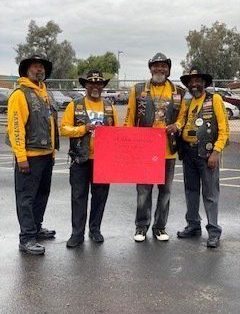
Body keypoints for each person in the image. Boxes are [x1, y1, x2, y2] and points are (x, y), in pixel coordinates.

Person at [124, 52, 184, 242]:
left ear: (168, 69)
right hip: (145, 151)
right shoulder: (138, 89)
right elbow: (130, 117)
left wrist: (178, 126)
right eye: (156, 66)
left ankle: (160, 227)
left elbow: (183, 117)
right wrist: (129, 144)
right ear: (150, 68)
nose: (159, 69)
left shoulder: (178, 92)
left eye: (163, 66)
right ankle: (141, 227)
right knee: (143, 191)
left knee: (165, 191)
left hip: (168, 151)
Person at [167, 67, 229, 248]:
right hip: (189, 152)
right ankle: (193, 225)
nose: (194, 84)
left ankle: (214, 231)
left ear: (204, 82)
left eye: (197, 81)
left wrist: (216, 152)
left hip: (208, 153)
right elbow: (182, 121)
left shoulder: (215, 99)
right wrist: (176, 127)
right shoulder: (189, 102)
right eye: (191, 82)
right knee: (191, 192)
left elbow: (224, 129)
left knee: (210, 194)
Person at [60, 70, 119, 247]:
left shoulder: (110, 107)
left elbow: (116, 133)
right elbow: (63, 129)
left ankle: (95, 230)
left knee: (100, 197)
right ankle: (77, 234)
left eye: (99, 84)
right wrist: (82, 129)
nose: (95, 86)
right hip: (80, 159)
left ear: (103, 87)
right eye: (91, 83)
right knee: (79, 197)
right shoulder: (75, 105)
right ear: (85, 85)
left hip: (103, 160)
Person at [7, 55, 59, 255]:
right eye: (35, 66)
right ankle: (27, 238)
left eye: (41, 67)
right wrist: (21, 157)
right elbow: (16, 127)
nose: (39, 69)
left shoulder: (46, 93)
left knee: (42, 194)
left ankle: (36, 228)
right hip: (29, 156)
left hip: (47, 155)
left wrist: (53, 152)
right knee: (26, 198)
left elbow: (51, 124)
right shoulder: (20, 94)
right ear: (26, 70)